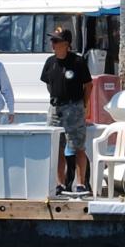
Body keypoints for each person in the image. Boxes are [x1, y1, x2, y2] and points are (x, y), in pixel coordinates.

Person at [41, 27, 93, 196]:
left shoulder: (77, 62)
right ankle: (60, 183)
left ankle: (80, 183)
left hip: (74, 107)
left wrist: (83, 106)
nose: (52, 44)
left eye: (56, 41)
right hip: (55, 108)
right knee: (57, 147)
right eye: (52, 41)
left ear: (66, 44)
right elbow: (48, 84)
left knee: (78, 146)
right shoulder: (50, 62)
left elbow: (88, 85)